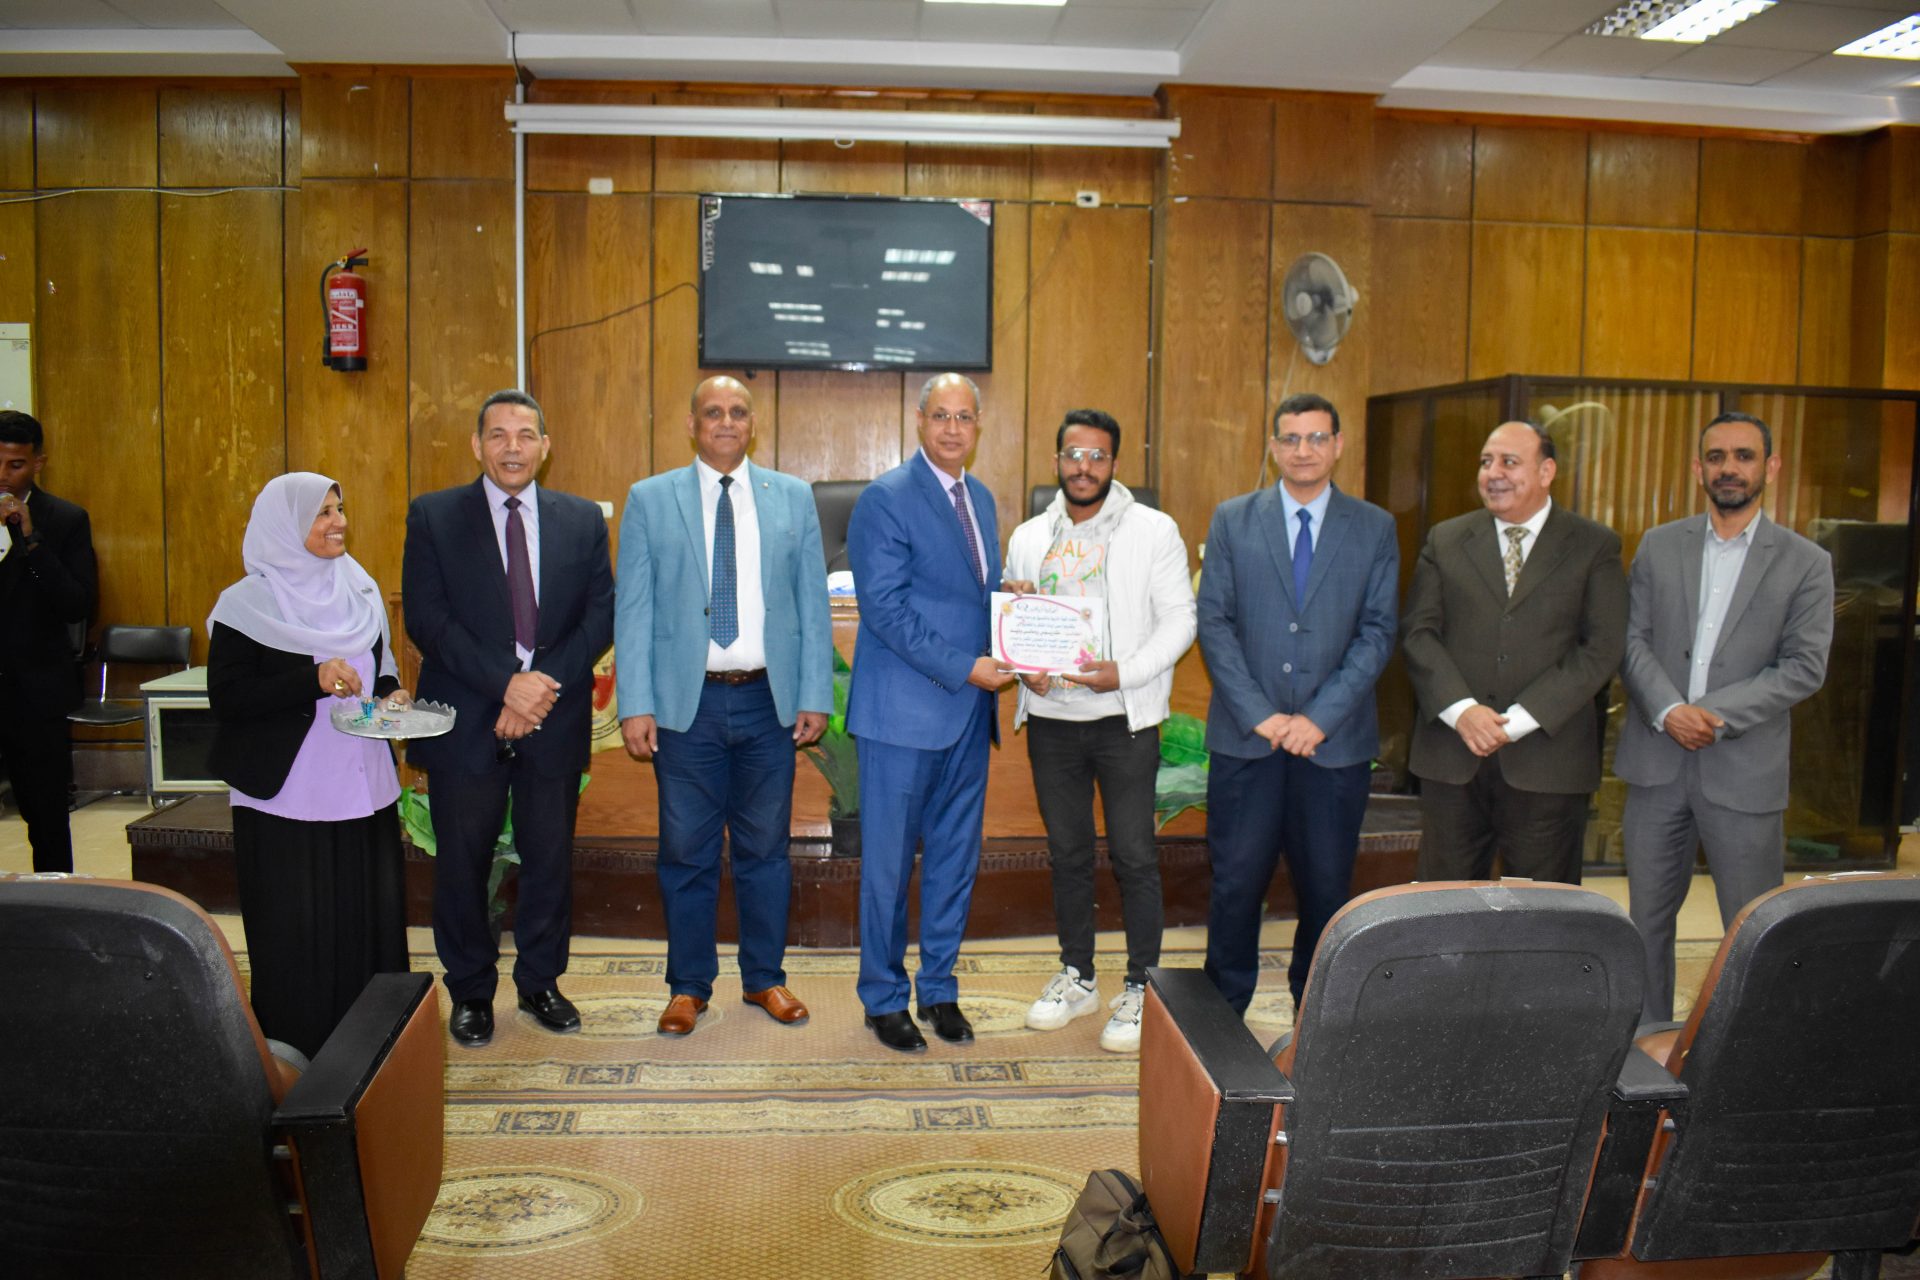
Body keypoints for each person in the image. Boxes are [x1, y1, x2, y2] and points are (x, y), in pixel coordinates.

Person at [615, 376, 834, 1036]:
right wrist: (635, 703)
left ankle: (764, 978)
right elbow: (634, 609)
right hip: (687, 707)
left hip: (769, 701)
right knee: (686, 850)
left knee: (766, 850)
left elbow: (812, 605)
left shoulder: (792, 497)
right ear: (692, 424)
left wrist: (815, 693)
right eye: (713, 412)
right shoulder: (650, 499)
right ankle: (688, 986)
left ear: (753, 424)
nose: (727, 422)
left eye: (738, 412)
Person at [402, 389, 614, 1048]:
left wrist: (537, 690)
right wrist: (506, 686)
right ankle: (470, 990)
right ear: (477, 445)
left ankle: (540, 982)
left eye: (525, 435)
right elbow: (427, 619)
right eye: (498, 435)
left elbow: (600, 616)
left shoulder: (582, 519)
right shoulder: (434, 516)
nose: (512, 447)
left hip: (553, 714)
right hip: (468, 717)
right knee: (462, 864)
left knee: (549, 861)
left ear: (546, 447)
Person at [1615, 411, 1833, 1021]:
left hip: (1744, 771)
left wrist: (1707, 715)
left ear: (1771, 467)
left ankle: (1744, 1052)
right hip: (1657, 765)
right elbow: (1630, 641)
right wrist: (1669, 710)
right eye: (1716, 457)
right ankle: (1648, 1045)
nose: (1728, 468)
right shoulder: (1659, 545)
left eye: (1743, 455)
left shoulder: (1806, 561)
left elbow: (1803, 667)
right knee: (1646, 922)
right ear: (1698, 469)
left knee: (1753, 926)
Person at [1195, 393, 1398, 1015]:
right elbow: (1214, 622)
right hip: (1246, 738)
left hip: (1333, 745)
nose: (1303, 450)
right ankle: (1224, 1013)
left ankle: (1316, 1011)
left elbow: (1377, 631)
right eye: (1290, 438)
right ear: (1273, 447)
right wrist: (1261, 713)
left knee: (1327, 890)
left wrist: (1318, 718)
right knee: (1235, 884)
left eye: (1316, 438)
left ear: (1338, 445)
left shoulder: (1374, 526)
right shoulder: (1233, 519)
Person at [1003, 409, 1195, 1052]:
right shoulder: (1030, 536)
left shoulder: (1153, 530)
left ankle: (1141, 985)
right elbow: (1015, 622)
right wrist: (1024, 666)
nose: (1083, 467)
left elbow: (1180, 620)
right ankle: (1078, 976)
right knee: (1068, 853)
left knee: (1135, 855)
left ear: (1114, 464)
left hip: (1124, 718)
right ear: (1057, 460)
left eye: (1097, 456)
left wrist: (1125, 672)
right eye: (1073, 454)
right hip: (1052, 722)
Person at [206, 473, 410, 1059]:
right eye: (322, 513)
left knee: (365, 917)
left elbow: (382, 669)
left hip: (362, 785)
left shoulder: (360, 588)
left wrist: (393, 695)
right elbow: (229, 698)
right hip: (287, 794)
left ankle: (373, 1043)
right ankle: (298, 1053)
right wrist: (311, 679)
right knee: (296, 927)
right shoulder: (245, 604)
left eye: (339, 509)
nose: (338, 522)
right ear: (284, 526)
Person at [846, 372, 1013, 1053]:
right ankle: (883, 998)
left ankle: (939, 988)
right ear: (919, 422)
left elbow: (973, 594)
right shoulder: (885, 498)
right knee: (888, 868)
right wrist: (965, 666)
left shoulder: (982, 498)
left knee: (953, 860)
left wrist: (1016, 607)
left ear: (977, 426)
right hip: (901, 716)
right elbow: (884, 610)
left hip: (968, 715)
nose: (952, 428)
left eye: (963, 417)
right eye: (940, 415)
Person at [1402, 420, 1627, 885]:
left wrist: (1519, 720)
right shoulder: (1446, 539)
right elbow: (1419, 634)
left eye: (1509, 462)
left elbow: (1601, 647)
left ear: (1546, 471)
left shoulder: (1593, 545)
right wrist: (1463, 711)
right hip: (1453, 757)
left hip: (1548, 761)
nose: (1493, 473)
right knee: (1443, 904)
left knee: (1543, 910)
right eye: (1486, 462)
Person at [0, 410, 95, 874]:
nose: (2, 475)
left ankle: (58, 901)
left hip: (35, 691)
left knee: (46, 816)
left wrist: (31, 540)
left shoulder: (65, 520)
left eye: (15, 464)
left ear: (38, 463)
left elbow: (76, 604)